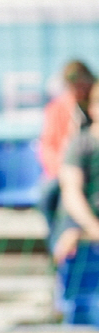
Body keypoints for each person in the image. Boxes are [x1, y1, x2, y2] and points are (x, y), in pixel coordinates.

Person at [55, 79, 99, 264]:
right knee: (69, 241)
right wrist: (94, 229)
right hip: (83, 221)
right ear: (92, 108)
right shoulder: (81, 144)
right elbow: (71, 195)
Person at [39, 59, 94, 183]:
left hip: (92, 169)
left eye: (83, 86)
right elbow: (48, 147)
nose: (80, 91)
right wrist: (61, 170)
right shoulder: (56, 109)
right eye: (75, 86)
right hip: (64, 168)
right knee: (49, 192)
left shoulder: (95, 107)